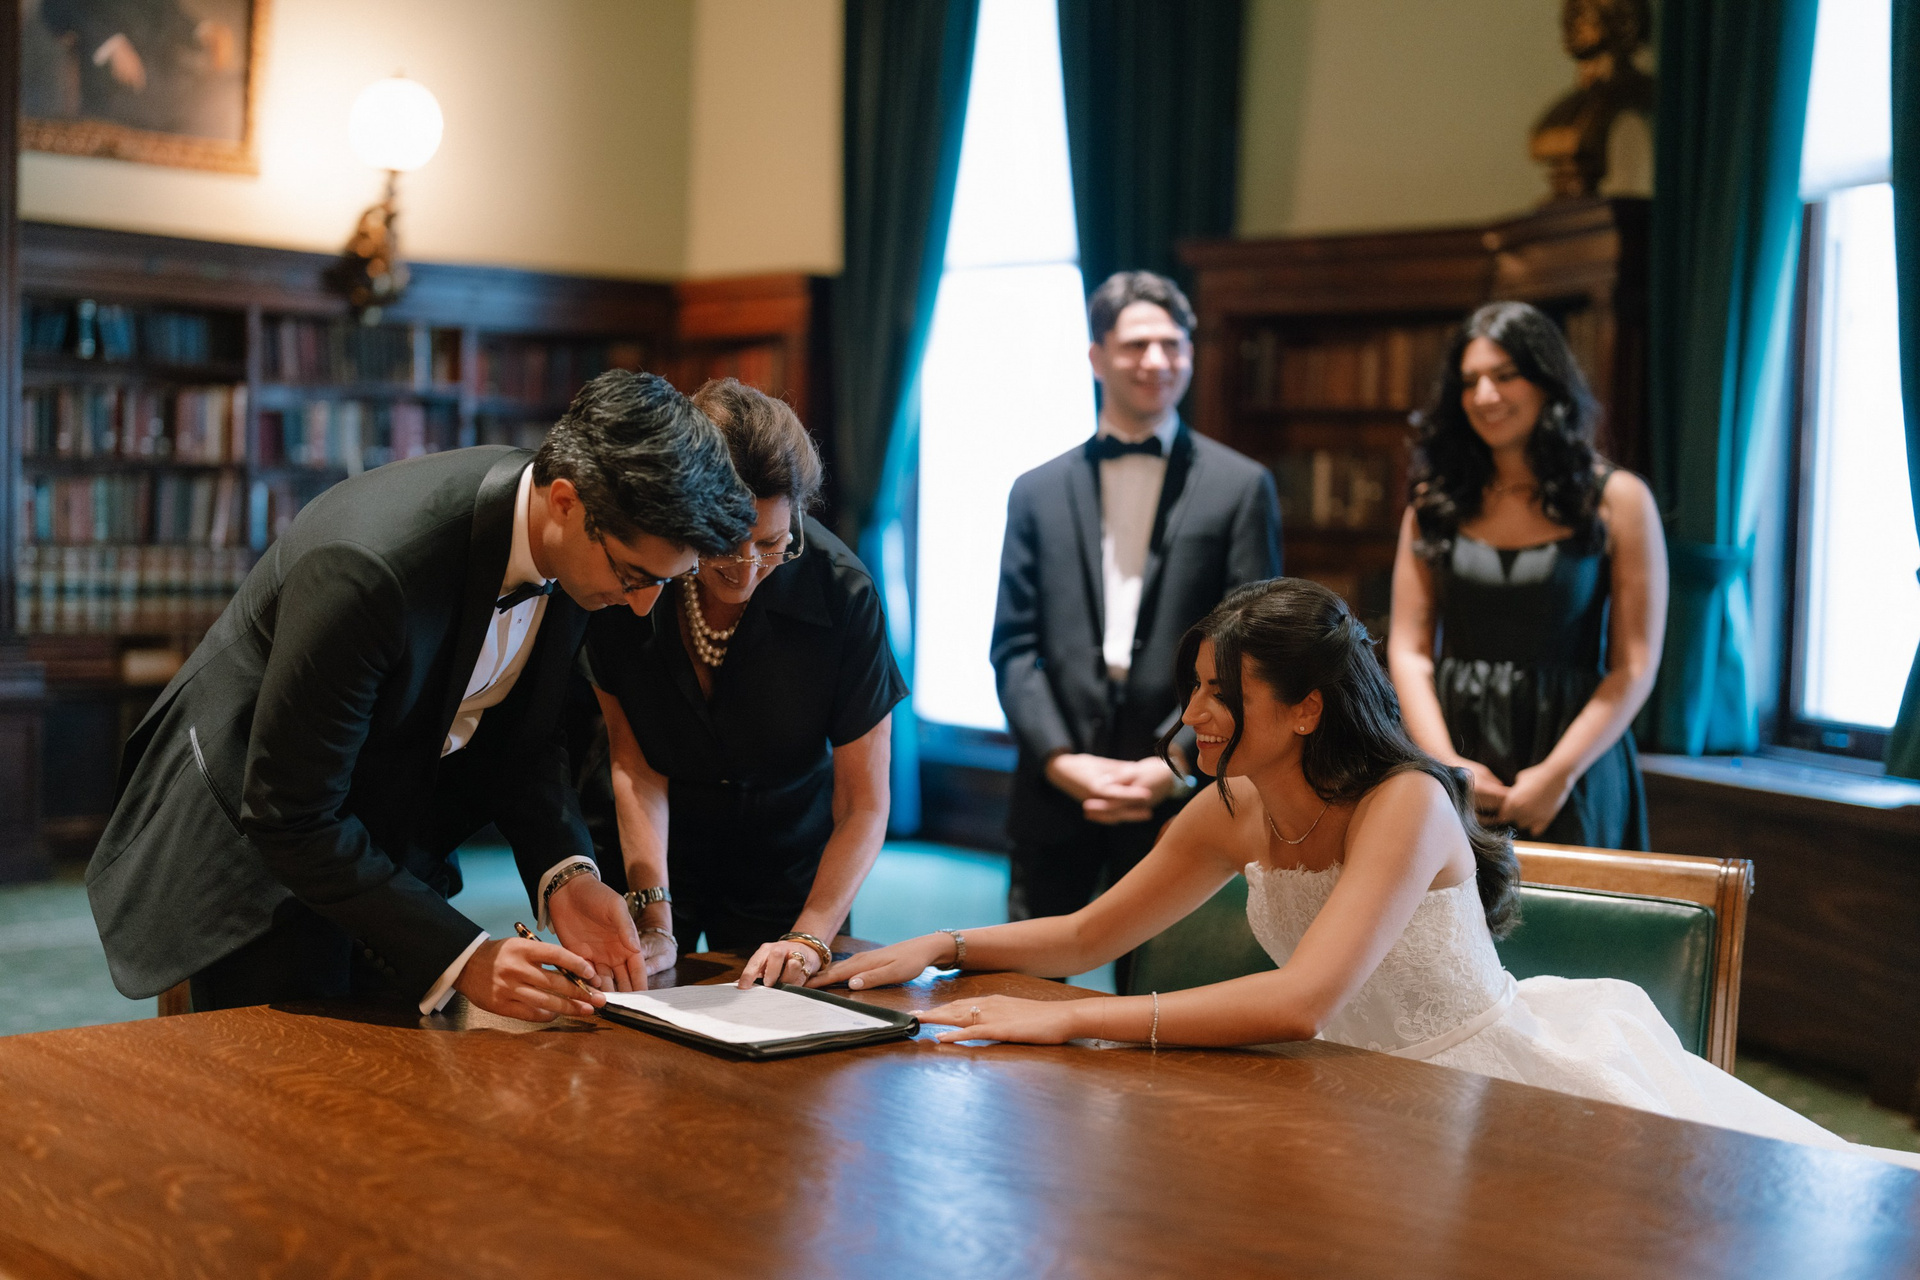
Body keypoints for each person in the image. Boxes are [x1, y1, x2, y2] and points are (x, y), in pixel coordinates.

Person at [818, 579, 1920, 1169]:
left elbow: (1302, 1001)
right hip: (1344, 1103)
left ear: (1305, 709)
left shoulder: (1405, 802)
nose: (1195, 714)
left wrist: (1070, 1023)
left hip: (1493, 1096)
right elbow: (1085, 935)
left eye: (1221, 694)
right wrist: (940, 946)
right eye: (1196, 687)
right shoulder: (1232, 807)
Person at [87, 371, 756, 1024]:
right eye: (635, 576)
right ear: (564, 502)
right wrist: (466, 958)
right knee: (285, 1085)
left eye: (666, 582)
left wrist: (568, 876)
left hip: (387, 834)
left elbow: (525, 739)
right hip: (255, 862)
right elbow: (289, 814)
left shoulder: (579, 555)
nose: (642, 607)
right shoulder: (370, 569)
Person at [581, 379, 906, 990]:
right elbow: (634, 764)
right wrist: (655, 919)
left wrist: (810, 935)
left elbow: (864, 804)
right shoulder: (635, 575)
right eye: (724, 541)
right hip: (649, 851)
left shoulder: (843, 594)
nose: (748, 567)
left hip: (791, 861)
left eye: (772, 543)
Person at [992, 270, 1281, 930]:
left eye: (1172, 345)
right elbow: (1014, 647)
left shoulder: (1241, 487)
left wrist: (1173, 760)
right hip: (1054, 788)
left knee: (1162, 982)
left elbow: (1249, 648)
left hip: (1185, 785)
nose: (1157, 361)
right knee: (1027, 971)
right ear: (1097, 358)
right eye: (1136, 346)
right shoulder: (1034, 491)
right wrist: (1061, 760)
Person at [1387, 301, 1666, 847]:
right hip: (1454, 749)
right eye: (1470, 382)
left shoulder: (1619, 499)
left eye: (1505, 375)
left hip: (1576, 757)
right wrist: (1445, 764)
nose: (1485, 396)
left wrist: (1559, 773)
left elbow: (1634, 665)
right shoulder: (1432, 505)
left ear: (1547, 382)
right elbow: (1409, 651)